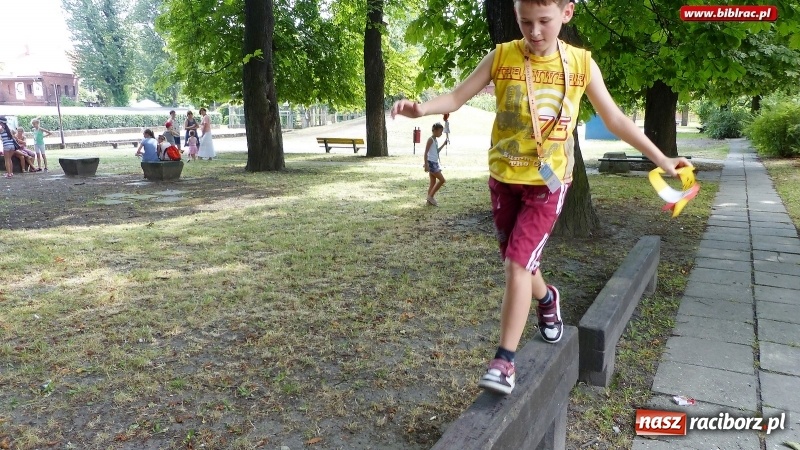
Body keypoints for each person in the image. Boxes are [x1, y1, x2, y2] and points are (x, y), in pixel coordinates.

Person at [391, 0, 691, 395]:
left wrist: (663, 158)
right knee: (520, 262)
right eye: (525, 22)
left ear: (567, 13)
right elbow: (457, 97)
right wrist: (422, 108)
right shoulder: (502, 56)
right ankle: (548, 297)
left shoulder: (582, 64)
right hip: (503, 179)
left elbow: (616, 119)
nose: (534, 32)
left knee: (517, 263)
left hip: (548, 185)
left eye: (544, 22)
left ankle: (504, 361)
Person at [423, 122, 448, 206]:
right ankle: (430, 197)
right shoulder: (430, 139)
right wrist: (426, 164)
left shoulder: (435, 140)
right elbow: (426, 152)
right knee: (442, 180)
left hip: (435, 163)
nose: (441, 133)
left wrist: (444, 144)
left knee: (433, 183)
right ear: (435, 130)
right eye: (440, 131)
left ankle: (428, 201)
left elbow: (436, 151)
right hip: (431, 163)